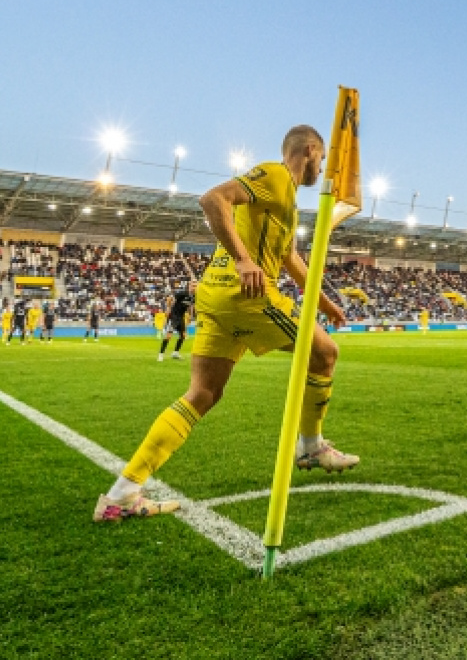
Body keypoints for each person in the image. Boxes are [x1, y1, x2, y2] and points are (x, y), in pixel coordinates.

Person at [94, 125, 358, 523]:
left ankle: (122, 494)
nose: (321, 169)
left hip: (214, 298)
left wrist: (326, 304)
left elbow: (292, 261)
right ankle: (311, 445)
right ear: (310, 150)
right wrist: (243, 259)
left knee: (201, 394)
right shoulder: (274, 175)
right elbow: (212, 198)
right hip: (246, 296)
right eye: (321, 159)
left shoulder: (287, 201)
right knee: (325, 354)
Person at [158, 283, 196, 361]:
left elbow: (190, 306)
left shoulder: (193, 297)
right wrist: (168, 309)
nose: (194, 287)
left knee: (183, 336)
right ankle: (161, 354)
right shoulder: (182, 293)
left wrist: (190, 315)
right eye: (193, 286)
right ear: (189, 286)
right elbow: (169, 299)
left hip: (181, 317)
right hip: (174, 317)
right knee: (168, 336)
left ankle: (175, 353)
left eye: (195, 286)